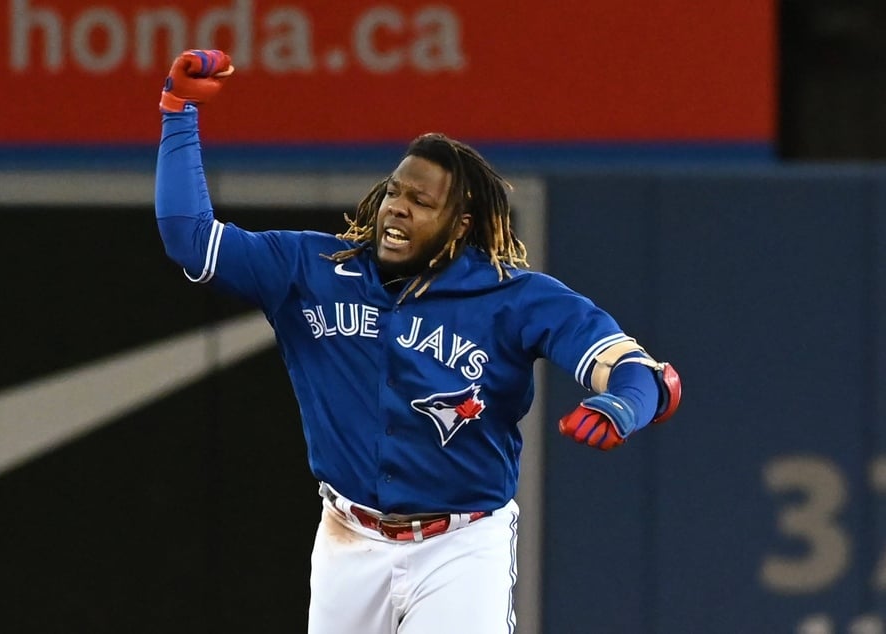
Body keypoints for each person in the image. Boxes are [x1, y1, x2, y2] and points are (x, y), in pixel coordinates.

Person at [154, 50, 681, 634]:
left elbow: (640, 371)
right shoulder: (310, 267)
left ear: (461, 225)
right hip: (347, 539)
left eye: (421, 202)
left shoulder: (514, 298)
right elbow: (188, 238)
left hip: (460, 544)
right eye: (394, 193)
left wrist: (623, 405)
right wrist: (179, 112)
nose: (397, 209)